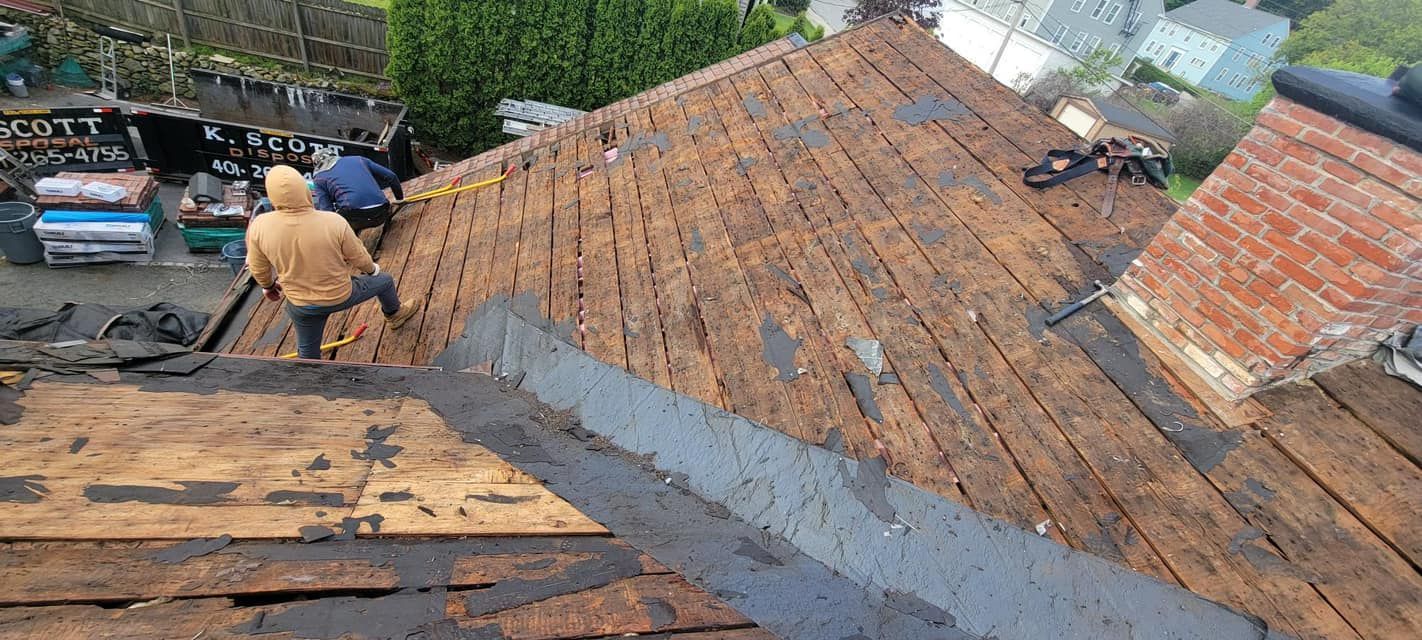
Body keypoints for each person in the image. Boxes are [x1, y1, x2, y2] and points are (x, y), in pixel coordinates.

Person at [246, 164, 421, 360]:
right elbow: (358, 256)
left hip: (302, 305)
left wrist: (268, 286)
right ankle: (395, 315)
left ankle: (312, 376)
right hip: (342, 294)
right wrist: (372, 270)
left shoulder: (259, 226)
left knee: (308, 352)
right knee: (385, 281)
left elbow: (258, 267)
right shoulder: (333, 221)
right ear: (304, 189)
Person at [310, 148, 404, 231]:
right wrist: (399, 199)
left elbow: (327, 211)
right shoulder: (359, 159)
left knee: (336, 221)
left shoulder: (319, 178)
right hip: (382, 212)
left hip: (355, 219)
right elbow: (391, 176)